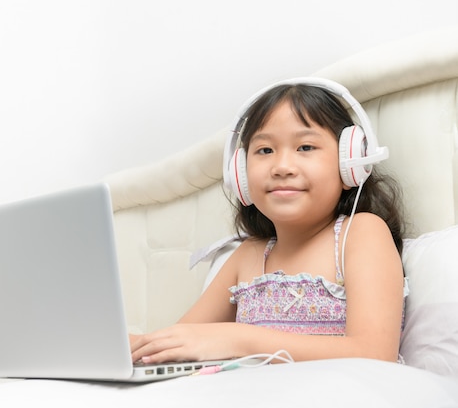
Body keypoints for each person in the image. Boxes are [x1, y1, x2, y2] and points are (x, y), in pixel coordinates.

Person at [130, 78, 407, 365]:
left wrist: (238, 338)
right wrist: (130, 345)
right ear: (240, 173)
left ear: (350, 162)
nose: (282, 167)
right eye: (265, 150)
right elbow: (180, 341)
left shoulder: (361, 233)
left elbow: (374, 354)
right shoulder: (249, 255)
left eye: (305, 147)